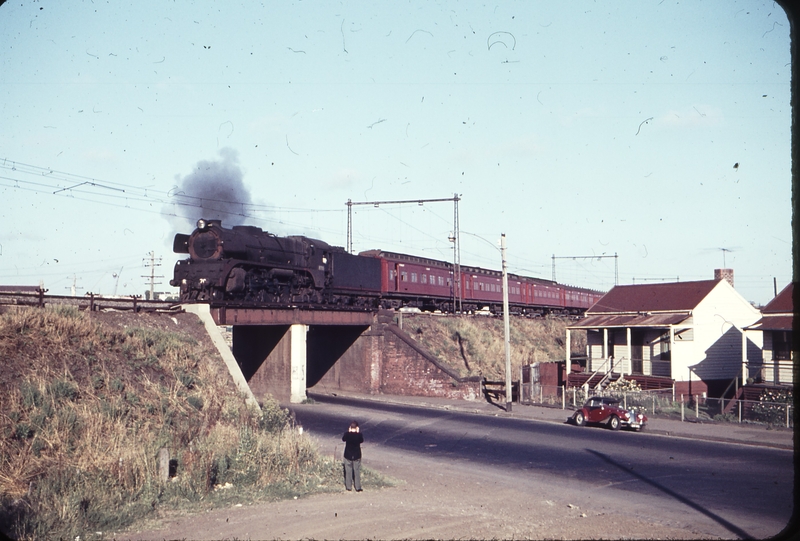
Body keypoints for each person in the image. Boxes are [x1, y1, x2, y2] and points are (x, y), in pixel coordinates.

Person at [341, 421, 364, 492]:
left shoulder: (347, 434)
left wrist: (349, 431)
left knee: (348, 471)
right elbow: (361, 440)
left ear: (350, 427)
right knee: (356, 471)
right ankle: (358, 487)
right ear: (357, 428)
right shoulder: (359, 435)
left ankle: (348, 487)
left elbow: (343, 439)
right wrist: (357, 432)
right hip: (357, 455)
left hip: (348, 455)